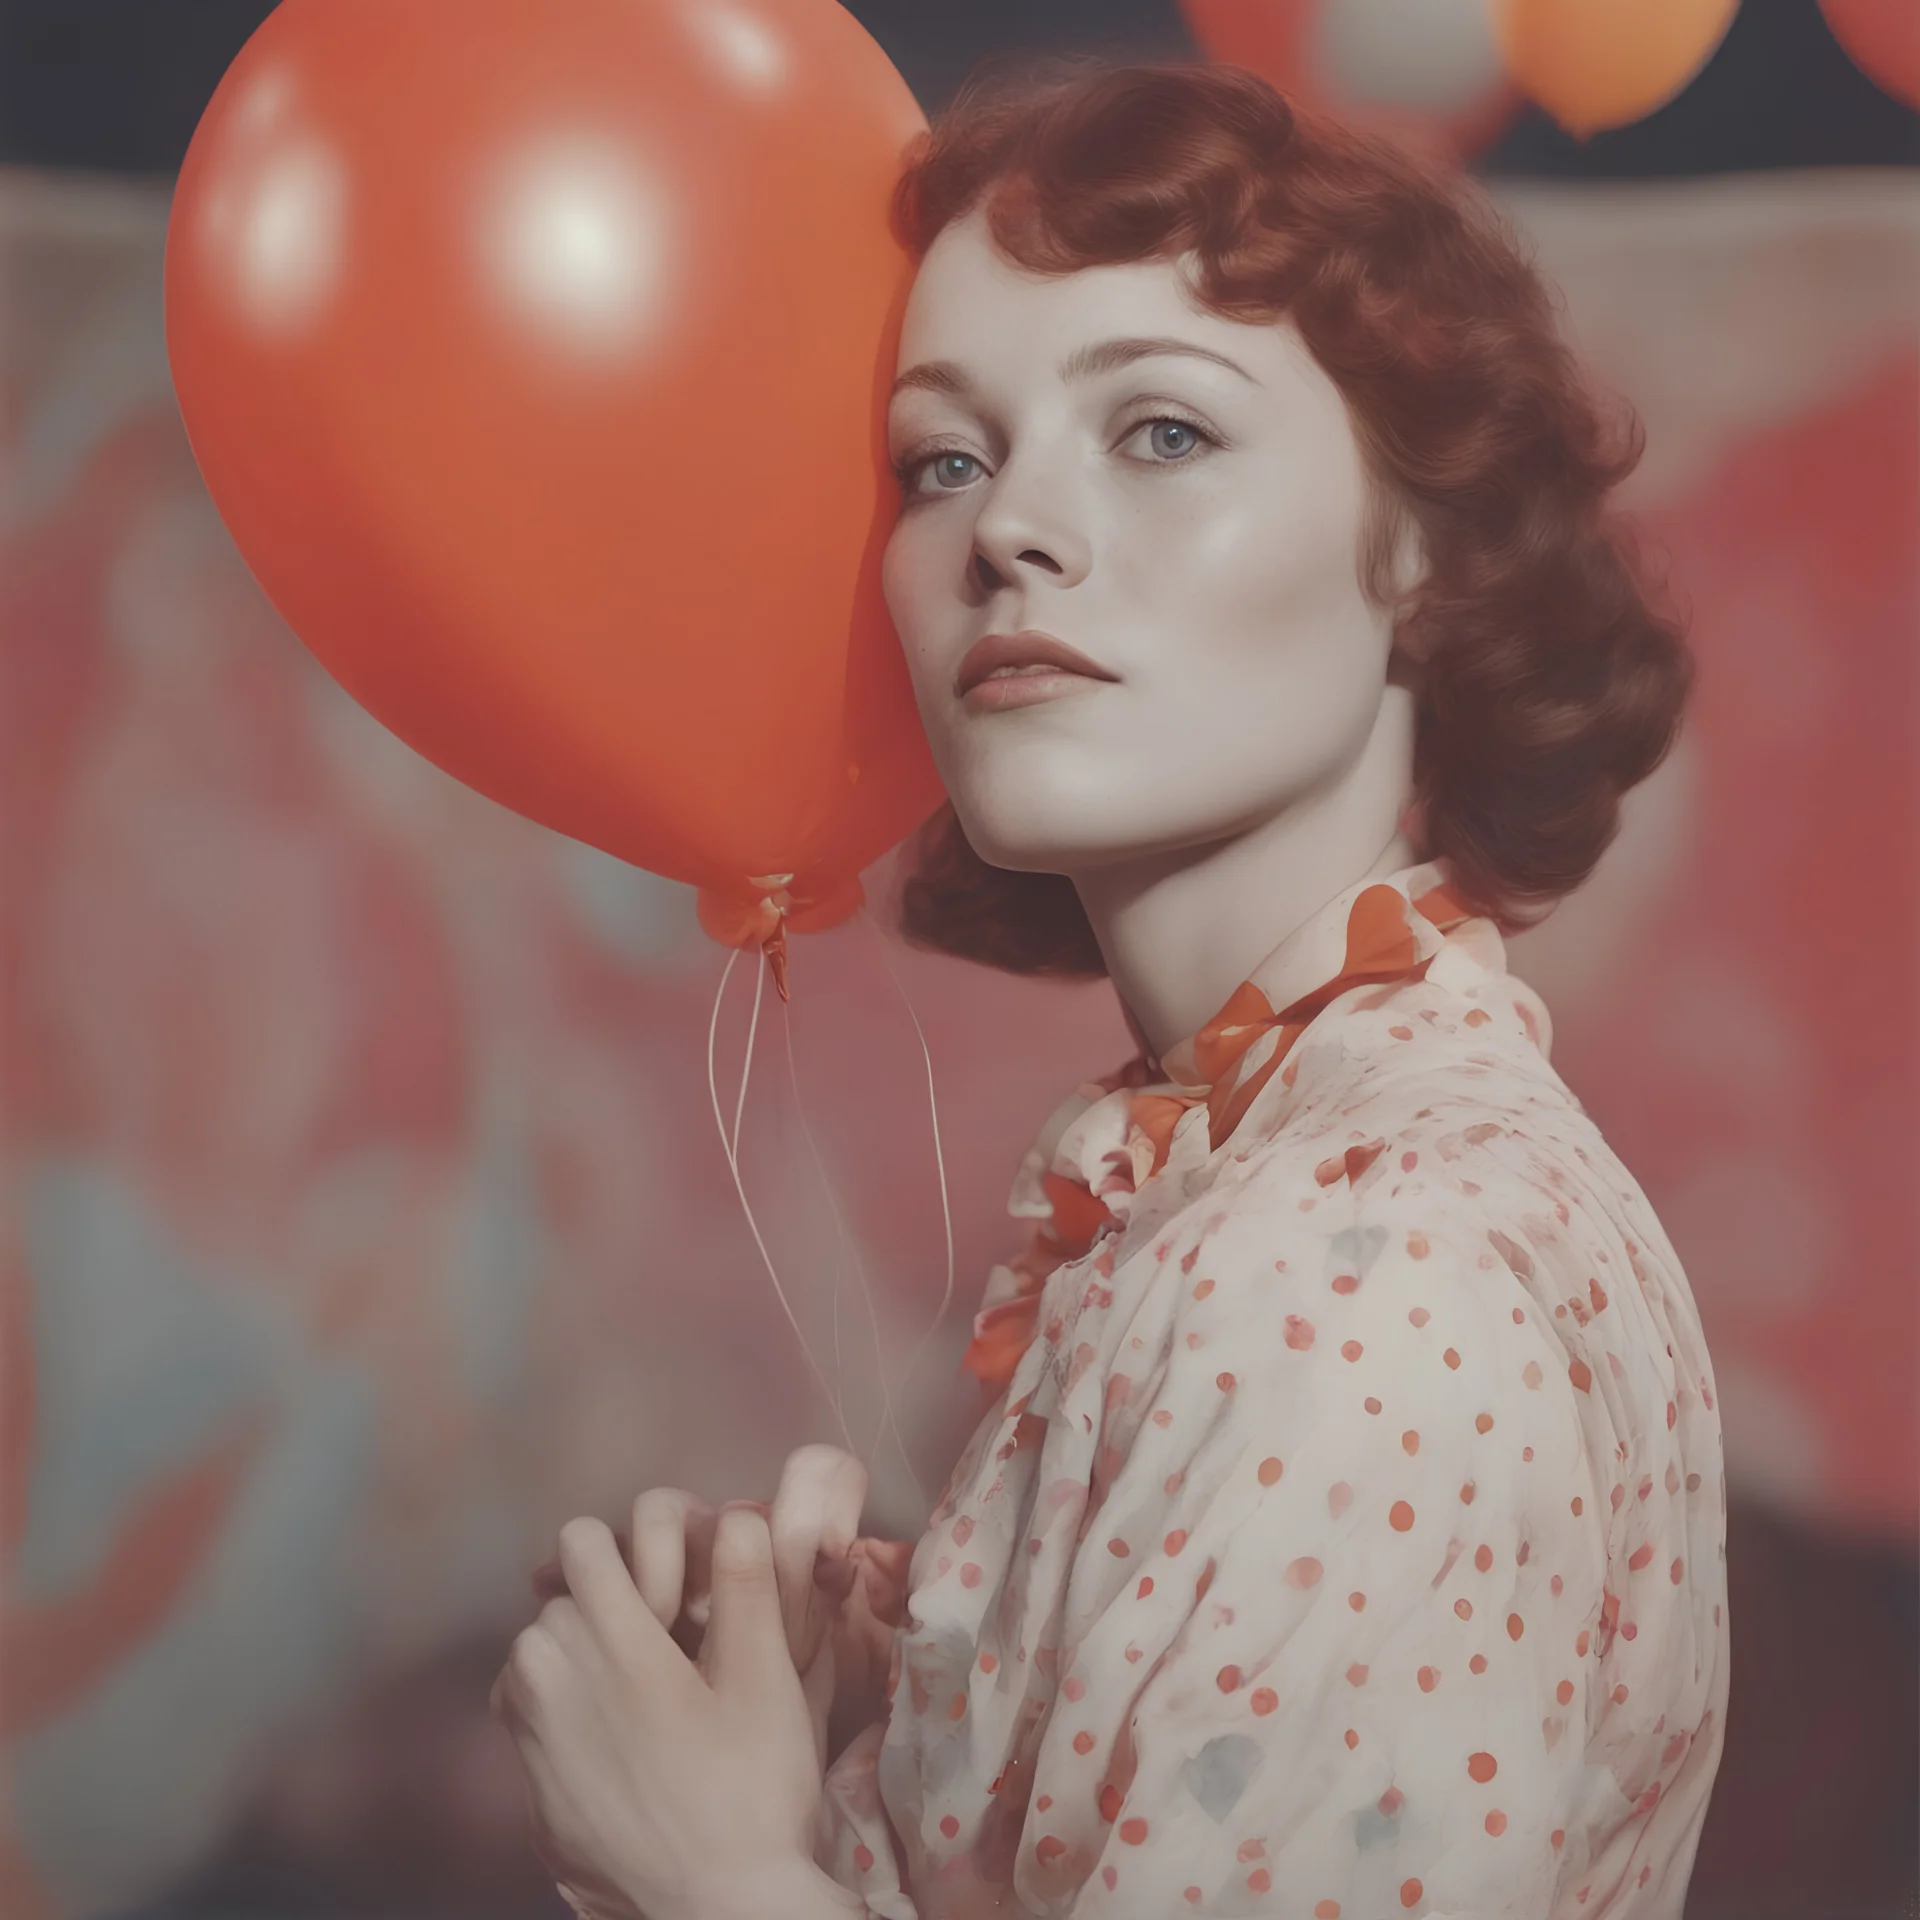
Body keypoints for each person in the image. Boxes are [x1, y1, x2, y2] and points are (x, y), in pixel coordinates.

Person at [491, 60, 1729, 1920]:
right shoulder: (1260, 1174)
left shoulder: (1365, 1270)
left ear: (1418, 552)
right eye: (944, 459)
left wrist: (722, 1879)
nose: (1005, 533)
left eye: (1159, 430)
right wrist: (868, 1730)